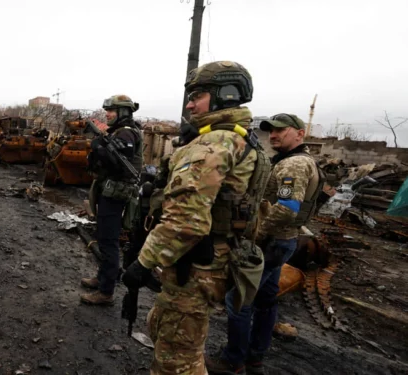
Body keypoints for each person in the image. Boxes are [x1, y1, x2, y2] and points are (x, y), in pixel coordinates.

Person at [122, 61, 268, 375]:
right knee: (173, 334)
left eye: (198, 95)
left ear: (226, 96)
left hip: (196, 264)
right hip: (214, 257)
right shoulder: (243, 140)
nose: (189, 103)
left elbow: (186, 222)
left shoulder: (213, 144)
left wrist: (142, 263)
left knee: (176, 358)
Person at [206, 113, 324, 375]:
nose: (274, 135)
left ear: (299, 134)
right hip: (284, 241)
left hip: (271, 242)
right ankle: (255, 359)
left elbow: (287, 208)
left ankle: (233, 361)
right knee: (266, 300)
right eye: (271, 131)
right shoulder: (293, 161)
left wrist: (258, 235)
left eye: (281, 131)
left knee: (238, 300)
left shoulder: (293, 165)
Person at [80, 95, 143, 305]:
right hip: (109, 190)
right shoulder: (119, 132)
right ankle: (102, 278)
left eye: (112, 110)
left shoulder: (126, 133)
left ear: (123, 112)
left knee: (108, 240)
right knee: (104, 236)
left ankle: (106, 291)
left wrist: (98, 147)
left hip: (116, 193)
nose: (107, 114)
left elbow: (117, 163)